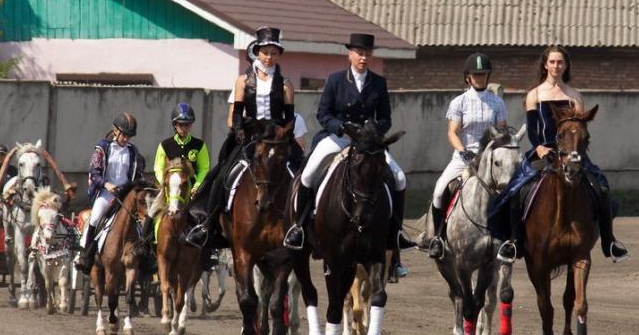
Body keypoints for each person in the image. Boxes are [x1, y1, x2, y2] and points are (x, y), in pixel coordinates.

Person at [489, 46, 629, 263]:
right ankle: (514, 242)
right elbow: (534, 129)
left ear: (566, 66)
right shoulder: (534, 94)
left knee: (601, 187)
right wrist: (538, 147)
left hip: (572, 152)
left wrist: (576, 150)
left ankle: (609, 242)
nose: (556, 66)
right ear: (545, 65)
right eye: (552, 62)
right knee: (517, 190)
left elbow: (581, 129)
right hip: (543, 152)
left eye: (560, 62)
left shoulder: (574, 95)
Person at [283, 32, 416, 254]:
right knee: (307, 175)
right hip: (339, 138)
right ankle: (299, 227)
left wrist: (374, 131)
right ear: (350, 54)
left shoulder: (379, 82)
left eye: (368, 54)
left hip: (369, 143)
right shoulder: (336, 80)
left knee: (400, 178)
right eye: (360, 53)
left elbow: (385, 118)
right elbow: (323, 114)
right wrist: (342, 127)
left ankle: (396, 232)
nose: (364, 58)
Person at [184, 26, 299, 247]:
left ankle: (301, 225)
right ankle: (206, 223)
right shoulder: (243, 81)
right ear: (257, 52)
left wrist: (284, 135)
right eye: (265, 52)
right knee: (222, 172)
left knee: (300, 171)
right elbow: (237, 113)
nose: (269, 57)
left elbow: (289, 118)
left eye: (274, 53)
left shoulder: (286, 86)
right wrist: (239, 130)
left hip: (276, 138)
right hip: (250, 136)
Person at [425, 53, 508, 259]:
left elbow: (502, 133)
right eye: (476, 74)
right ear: (468, 77)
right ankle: (438, 238)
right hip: (463, 158)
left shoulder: (497, 103)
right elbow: (452, 132)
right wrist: (463, 151)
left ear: (488, 76)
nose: (480, 77)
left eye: (484, 74)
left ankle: (510, 239)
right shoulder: (459, 102)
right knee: (438, 190)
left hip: (489, 160)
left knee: (510, 190)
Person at [74, 113, 145, 274]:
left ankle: (145, 256)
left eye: (129, 136)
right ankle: (85, 254)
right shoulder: (103, 147)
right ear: (115, 131)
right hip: (106, 193)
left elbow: (137, 174)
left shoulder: (133, 151)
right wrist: (107, 185)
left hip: (126, 195)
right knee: (96, 216)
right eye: (124, 135)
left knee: (141, 220)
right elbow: (95, 172)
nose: (126, 139)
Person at [153, 102, 210, 203]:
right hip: (169, 192)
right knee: (154, 212)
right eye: (181, 124)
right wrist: (165, 184)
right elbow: (158, 169)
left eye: (187, 125)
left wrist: (197, 186)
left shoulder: (200, 145)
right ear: (175, 124)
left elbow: (204, 169)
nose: (184, 128)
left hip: (193, 193)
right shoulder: (164, 145)